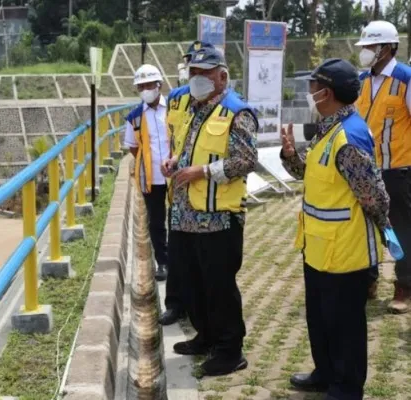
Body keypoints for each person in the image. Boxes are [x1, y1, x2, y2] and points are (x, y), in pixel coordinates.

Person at [280, 58, 392, 400]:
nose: (309, 92)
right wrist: (291, 157)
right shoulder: (328, 127)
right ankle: (325, 372)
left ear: (326, 92)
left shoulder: (349, 136)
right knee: (321, 319)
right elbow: (314, 176)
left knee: (345, 327)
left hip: (345, 252)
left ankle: (346, 388)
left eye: (313, 86)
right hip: (318, 247)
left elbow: (374, 197)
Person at [161, 46, 257, 376]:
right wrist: (174, 163)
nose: (197, 79)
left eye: (204, 73)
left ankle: (230, 351)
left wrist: (202, 172)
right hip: (185, 214)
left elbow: (246, 162)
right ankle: (206, 336)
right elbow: (186, 150)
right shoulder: (193, 109)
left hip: (218, 218)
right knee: (191, 283)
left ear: (222, 76)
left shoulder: (237, 112)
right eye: (192, 73)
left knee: (219, 286)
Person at [354, 20, 411, 312]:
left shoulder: (406, 78)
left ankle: (404, 287)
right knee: (365, 229)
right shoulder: (363, 80)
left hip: (398, 170)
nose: (365, 51)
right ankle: (367, 280)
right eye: (364, 46)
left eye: (371, 46)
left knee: (399, 229)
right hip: (365, 171)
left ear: (388, 48)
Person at [158, 41, 209, 326]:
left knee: (200, 256)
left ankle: (198, 308)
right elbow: (174, 138)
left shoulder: (218, 101)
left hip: (203, 191)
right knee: (176, 252)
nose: (193, 71)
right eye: (190, 64)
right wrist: (170, 162)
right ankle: (176, 304)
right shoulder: (175, 98)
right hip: (177, 187)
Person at [124, 64, 169, 282]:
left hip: (178, 174)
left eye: (149, 84)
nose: (145, 89)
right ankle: (163, 262)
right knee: (157, 222)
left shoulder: (173, 109)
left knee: (180, 220)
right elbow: (133, 147)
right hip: (151, 179)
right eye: (141, 86)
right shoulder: (134, 117)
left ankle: (179, 260)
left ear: (159, 85)